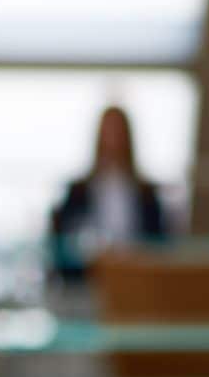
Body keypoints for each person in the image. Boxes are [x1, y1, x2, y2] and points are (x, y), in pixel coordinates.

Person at [51, 106, 167, 276]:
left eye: (118, 131)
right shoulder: (77, 191)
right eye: (108, 130)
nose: (113, 138)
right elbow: (64, 244)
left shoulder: (147, 194)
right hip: (86, 280)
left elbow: (160, 245)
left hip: (136, 278)